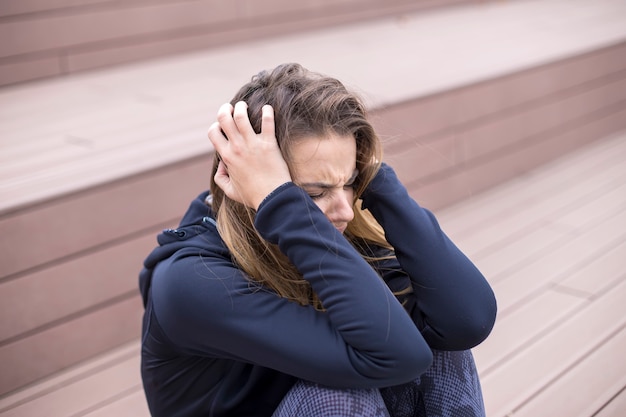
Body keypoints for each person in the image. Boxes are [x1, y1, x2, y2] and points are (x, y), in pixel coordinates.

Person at [139, 63, 497, 417]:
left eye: (350, 182)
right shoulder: (191, 282)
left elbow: (468, 320)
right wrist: (282, 204)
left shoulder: (338, 233)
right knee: (338, 398)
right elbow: (398, 356)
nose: (344, 210)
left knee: (440, 346)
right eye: (314, 193)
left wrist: (376, 180)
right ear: (254, 186)